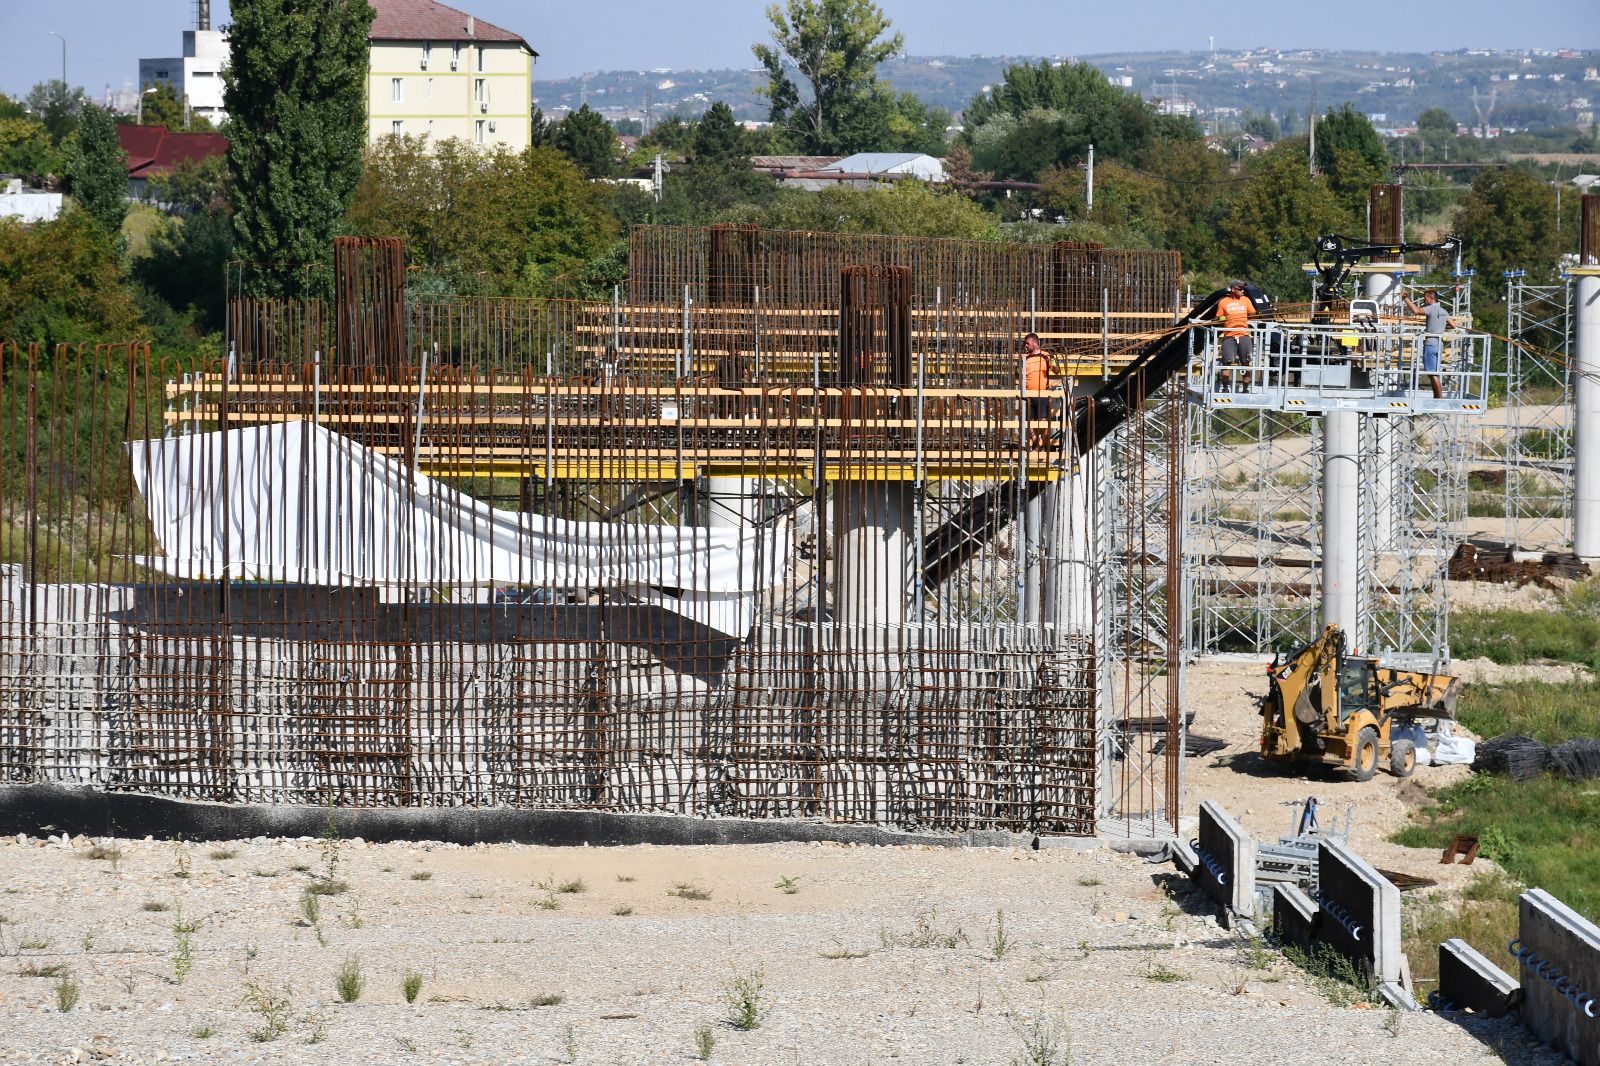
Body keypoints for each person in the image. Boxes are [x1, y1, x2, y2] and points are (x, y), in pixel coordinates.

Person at [1402, 289, 1451, 399]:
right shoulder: (1444, 311)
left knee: (1432, 374)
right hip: (1439, 345)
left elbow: (1416, 310)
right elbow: (1452, 325)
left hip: (1430, 344)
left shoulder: (1431, 309)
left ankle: (1439, 399)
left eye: (1425, 299)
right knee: (1435, 373)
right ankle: (1437, 397)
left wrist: (1405, 298)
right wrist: (1441, 327)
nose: (1424, 301)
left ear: (1431, 298)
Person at [1215, 280, 1255, 393]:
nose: (1243, 291)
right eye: (1240, 288)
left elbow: (1252, 314)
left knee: (1246, 362)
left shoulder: (1246, 300)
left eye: (1243, 289)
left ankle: (1246, 388)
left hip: (1244, 335)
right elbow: (1219, 318)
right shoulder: (1223, 302)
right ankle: (1225, 388)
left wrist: (1256, 314)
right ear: (1233, 289)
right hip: (1229, 336)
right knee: (1227, 362)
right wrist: (1224, 318)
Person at [1021, 332, 1052, 442]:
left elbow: (1056, 369)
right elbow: (1018, 374)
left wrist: (1054, 366)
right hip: (1029, 394)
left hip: (1042, 393)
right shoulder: (1025, 358)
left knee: (1043, 420)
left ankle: (1043, 442)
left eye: (1027, 343)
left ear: (1034, 343)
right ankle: (1035, 441)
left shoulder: (1045, 355)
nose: (1026, 345)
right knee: (1028, 420)